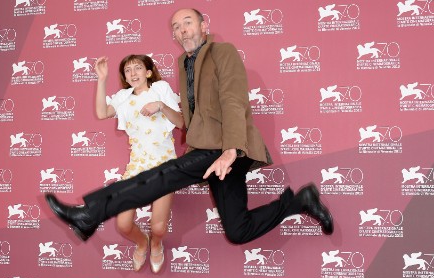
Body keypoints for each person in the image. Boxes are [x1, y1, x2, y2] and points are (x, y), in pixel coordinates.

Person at [45, 8, 333, 249]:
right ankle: (300, 201)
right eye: (176, 27)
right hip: (208, 151)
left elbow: (234, 101)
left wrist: (230, 150)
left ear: (203, 26)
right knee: (237, 230)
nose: (182, 30)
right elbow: (190, 116)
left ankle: (89, 213)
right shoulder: (184, 63)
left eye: (188, 23)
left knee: (161, 177)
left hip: (224, 147)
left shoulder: (223, 52)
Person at [93, 54, 183, 273]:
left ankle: (155, 243)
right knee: (123, 224)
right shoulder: (123, 96)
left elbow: (181, 122)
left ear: (148, 72)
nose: (133, 73)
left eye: (138, 68)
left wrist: (160, 106)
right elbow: (102, 112)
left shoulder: (160, 89)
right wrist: (102, 79)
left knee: (158, 227)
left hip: (164, 167)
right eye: (128, 70)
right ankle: (142, 242)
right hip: (136, 168)